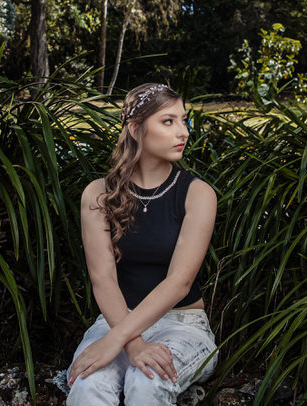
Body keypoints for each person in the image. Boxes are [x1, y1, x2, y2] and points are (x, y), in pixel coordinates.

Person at [65, 82, 219, 405]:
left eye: (184, 120)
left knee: (147, 381)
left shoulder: (198, 194)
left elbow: (180, 282)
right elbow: (102, 279)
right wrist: (130, 342)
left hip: (183, 324)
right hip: (117, 317)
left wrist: (118, 341)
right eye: (168, 121)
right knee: (86, 383)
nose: (183, 132)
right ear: (135, 130)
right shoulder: (98, 195)